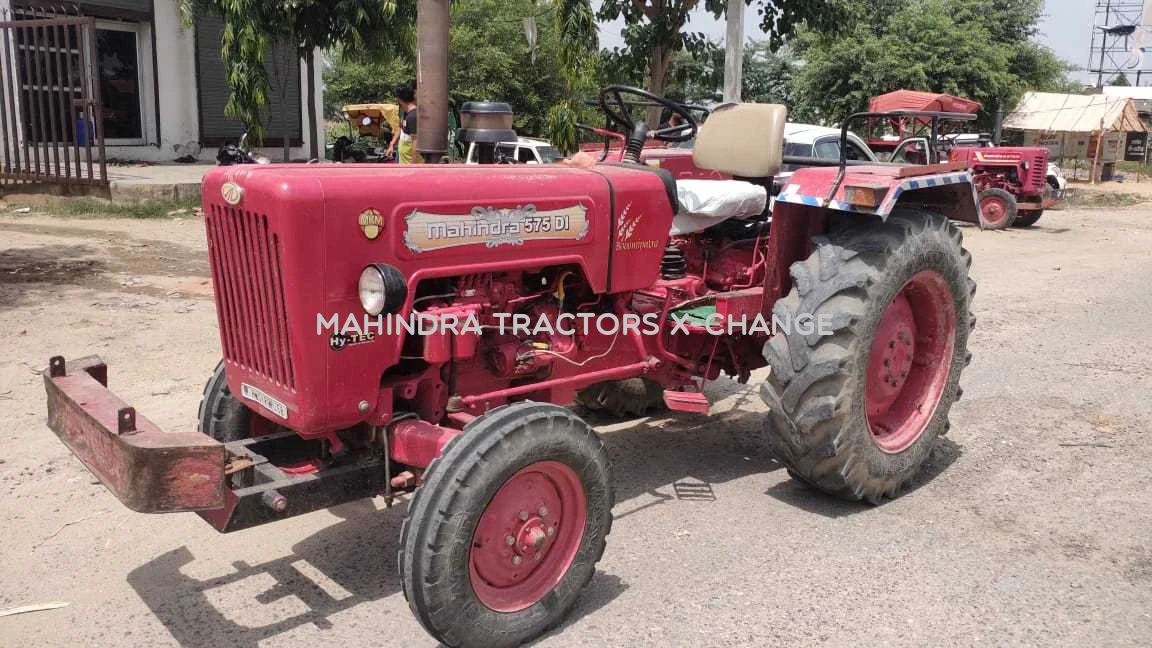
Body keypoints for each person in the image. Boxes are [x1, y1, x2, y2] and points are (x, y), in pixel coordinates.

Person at [395, 84, 422, 164]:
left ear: (399, 99)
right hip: (405, 164)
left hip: (412, 167)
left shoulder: (413, 117)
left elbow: (416, 142)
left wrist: (412, 167)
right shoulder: (408, 114)